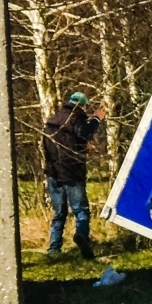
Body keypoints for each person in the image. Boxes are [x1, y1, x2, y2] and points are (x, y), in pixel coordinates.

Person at [43, 91, 104, 258]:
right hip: (72, 171)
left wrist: (82, 146)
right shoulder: (77, 117)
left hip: (53, 172)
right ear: (82, 105)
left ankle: (53, 249)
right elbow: (84, 132)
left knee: (59, 213)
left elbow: (57, 145)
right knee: (81, 210)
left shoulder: (53, 120)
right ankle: (82, 238)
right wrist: (97, 118)